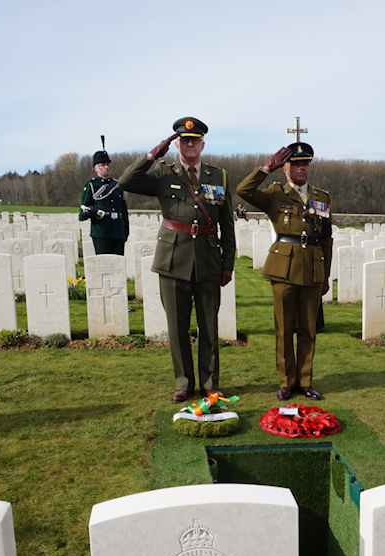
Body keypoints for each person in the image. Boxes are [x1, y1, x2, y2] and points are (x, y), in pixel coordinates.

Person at [118, 117, 235, 403]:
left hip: (207, 258)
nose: (190, 144)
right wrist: (152, 155)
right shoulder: (162, 172)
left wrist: (228, 262)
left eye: (195, 140)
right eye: (184, 140)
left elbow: (227, 224)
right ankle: (183, 382)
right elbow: (125, 181)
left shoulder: (218, 176)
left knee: (209, 326)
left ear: (203, 144)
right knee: (177, 326)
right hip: (172, 260)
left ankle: (210, 383)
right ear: (177, 144)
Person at [237, 142, 333, 401]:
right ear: (286, 168)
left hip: (312, 267)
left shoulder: (321, 197)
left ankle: (305, 381)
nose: (302, 168)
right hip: (284, 268)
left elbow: (326, 239)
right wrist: (267, 168)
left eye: (306, 164)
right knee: (284, 328)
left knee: (308, 329)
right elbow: (243, 190)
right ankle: (285, 382)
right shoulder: (274, 194)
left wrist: (325, 273)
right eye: (296, 164)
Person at [80, 143, 129, 256]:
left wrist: (125, 231)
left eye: (108, 164)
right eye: (103, 164)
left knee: (118, 265)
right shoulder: (91, 185)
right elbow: (83, 212)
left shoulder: (118, 185)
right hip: (101, 232)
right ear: (96, 168)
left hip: (118, 231)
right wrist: (93, 213)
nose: (106, 167)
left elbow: (123, 210)